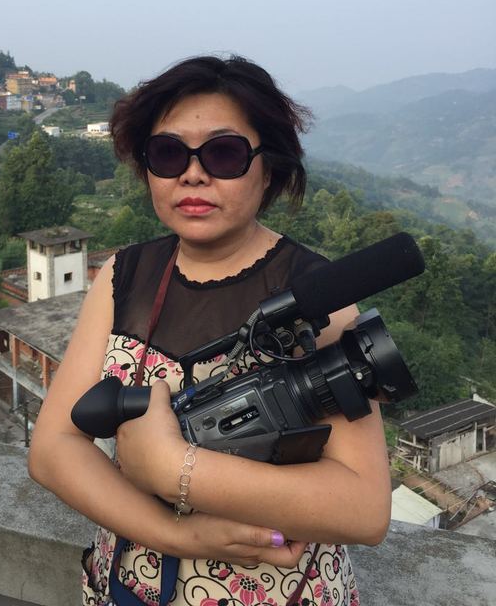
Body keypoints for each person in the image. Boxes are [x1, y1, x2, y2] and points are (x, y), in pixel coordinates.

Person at [28, 55, 391, 606]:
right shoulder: (125, 276)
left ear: (268, 168)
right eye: (168, 153)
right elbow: (53, 447)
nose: (192, 174)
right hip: (124, 589)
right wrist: (176, 534)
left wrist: (175, 467)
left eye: (223, 153)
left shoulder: (315, 294)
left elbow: (363, 508)